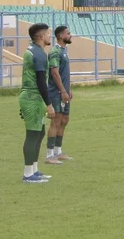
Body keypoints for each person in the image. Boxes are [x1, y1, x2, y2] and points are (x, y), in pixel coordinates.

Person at [19, 23, 56, 183]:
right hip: (33, 98)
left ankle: (34, 169)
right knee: (32, 134)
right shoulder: (39, 55)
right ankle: (28, 174)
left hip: (33, 97)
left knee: (39, 132)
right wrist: (49, 105)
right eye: (48, 34)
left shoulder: (34, 50)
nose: (50, 36)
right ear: (41, 37)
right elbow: (42, 82)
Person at [45, 26, 74, 165]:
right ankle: (49, 155)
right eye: (68, 33)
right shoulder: (55, 51)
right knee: (56, 121)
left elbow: (64, 73)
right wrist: (62, 91)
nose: (71, 35)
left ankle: (58, 151)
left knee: (64, 120)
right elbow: (55, 73)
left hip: (64, 92)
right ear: (61, 36)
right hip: (56, 93)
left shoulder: (64, 51)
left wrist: (69, 89)